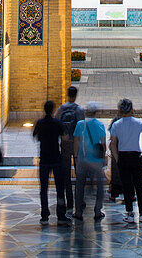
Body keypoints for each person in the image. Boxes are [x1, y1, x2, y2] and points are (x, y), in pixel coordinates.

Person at [109, 98, 142, 224]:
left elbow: (112, 144)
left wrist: (117, 158)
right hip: (136, 157)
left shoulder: (117, 125)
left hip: (123, 157)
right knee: (139, 186)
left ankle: (129, 213)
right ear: (132, 109)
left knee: (127, 186)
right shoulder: (138, 123)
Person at [33, 101, 71, 226]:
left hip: (44, 158)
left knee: (43, 188)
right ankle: (61, 214)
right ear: (53, 110)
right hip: (56, 158)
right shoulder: (57, 123)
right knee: (60, 188)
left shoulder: (40, 123)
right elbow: (65, 138)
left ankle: (44, 215)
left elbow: (35, 136)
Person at [73, 101, 106, 221]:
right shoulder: (100, 125)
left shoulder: (80, 124)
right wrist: (104, 159)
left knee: (80, 186)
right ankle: (97, 210)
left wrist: (76, 156)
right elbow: (103, 143)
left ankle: (78, 211)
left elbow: (76, 141)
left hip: (82, 158)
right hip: (96, 160)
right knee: (100, 186)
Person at [56, 85, 84, 214]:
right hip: (76, 144)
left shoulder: (61, 109)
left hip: (65, 144)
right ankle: (79, 199)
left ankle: (69, 200)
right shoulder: (79, 110)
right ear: (76, 95)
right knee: (79, 173)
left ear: (67, 94)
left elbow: (57, 125)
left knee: (66, 173)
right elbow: (81, 127)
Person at [107, 112, 125, 202]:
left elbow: (111, 138)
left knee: (116, 173)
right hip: (124, 149)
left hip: (116, 150)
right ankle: (128, 195)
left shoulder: (115, 122)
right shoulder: (128, 122)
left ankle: (114, 194)